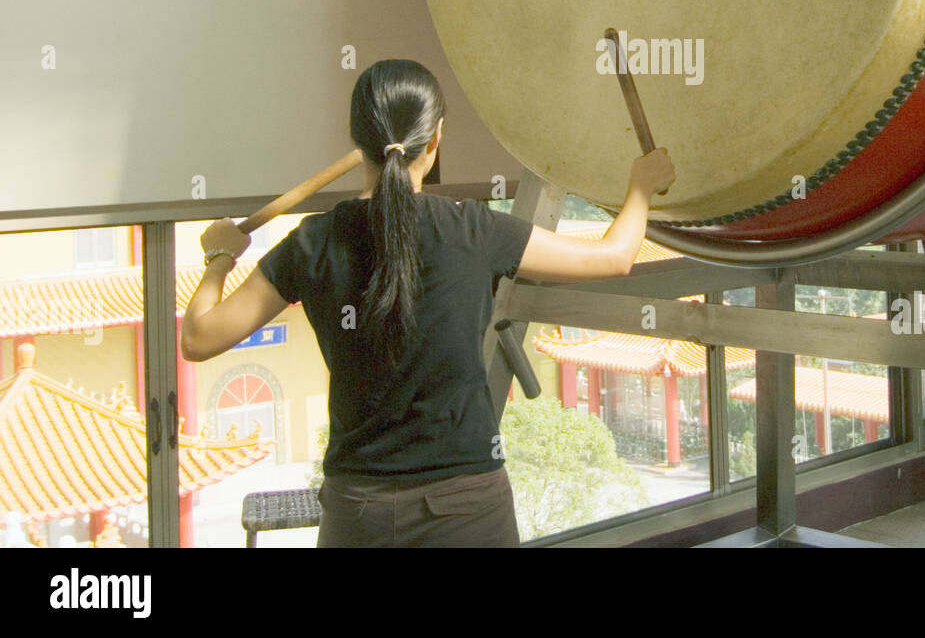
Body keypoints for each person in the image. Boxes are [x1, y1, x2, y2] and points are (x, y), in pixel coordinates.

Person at [180, 58, 675, 547]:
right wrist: (640, 187)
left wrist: (220, 256)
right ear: (436, 139)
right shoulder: (474, 231)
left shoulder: (314, 241)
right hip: (466, 509)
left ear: (357, 138)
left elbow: (199, 338)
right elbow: (614, 257)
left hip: (358, 511)